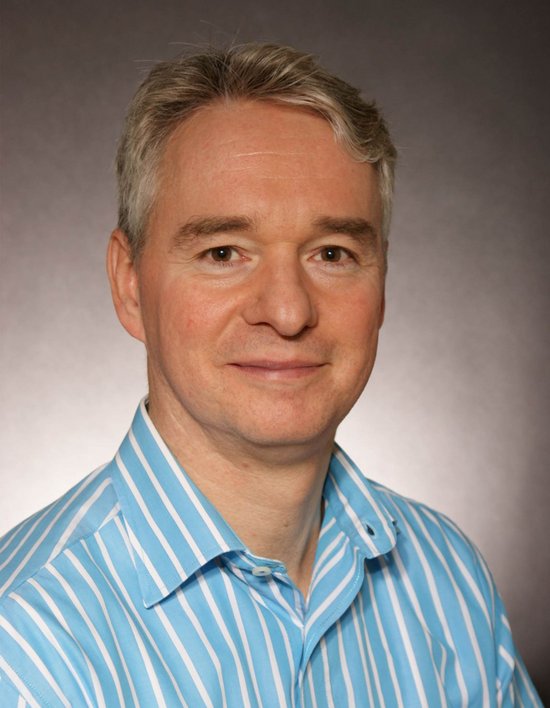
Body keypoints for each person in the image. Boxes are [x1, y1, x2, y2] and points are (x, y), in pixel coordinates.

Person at [0, 42, 541, 707]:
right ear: (130, 284)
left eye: (332, 253)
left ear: (382, 283)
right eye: (224, 252)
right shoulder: (23, 640)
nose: (288, 312)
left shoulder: (447, 578)